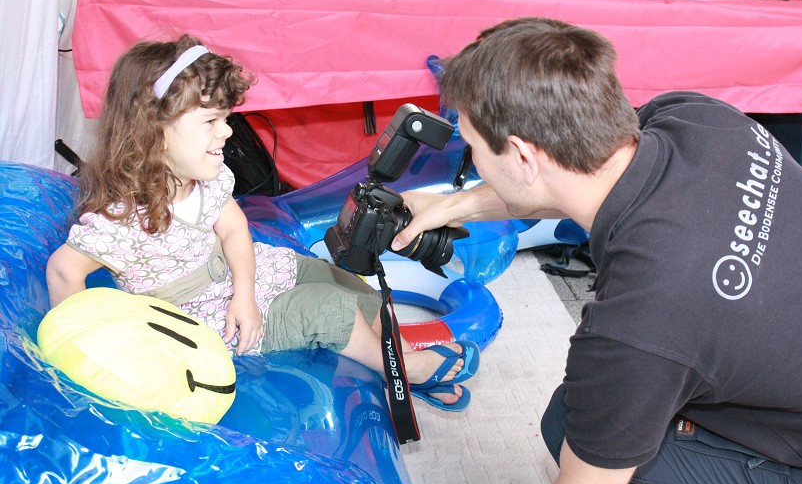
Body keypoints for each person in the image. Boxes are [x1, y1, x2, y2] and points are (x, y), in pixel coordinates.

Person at [391, 18, 802, 484]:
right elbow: (573, 173)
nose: (473, 164)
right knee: (642, 398)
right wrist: (457, 203)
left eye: (473, 150)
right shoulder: (698, 120)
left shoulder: (642, 322)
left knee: (580, 430)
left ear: (520, 155)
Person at [45, 35, 479, 411]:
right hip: (202, 315)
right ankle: (409, 370)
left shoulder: (207, 179)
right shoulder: (123, 217)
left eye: (227, 118)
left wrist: (247, 293)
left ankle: (396, 362)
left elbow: (235, 230)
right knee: (327, 309)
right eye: (211, 121)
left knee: (343, 282)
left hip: (239, 282)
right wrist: (88, 353)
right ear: (151, 132)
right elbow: (64, 270)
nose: (228, 133)